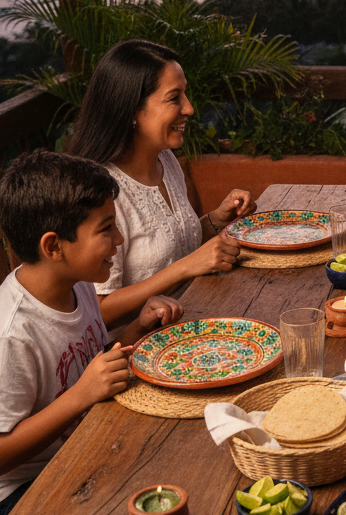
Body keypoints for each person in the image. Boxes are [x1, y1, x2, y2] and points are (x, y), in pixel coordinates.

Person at [0, 150, 183, 515]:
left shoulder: (77, 282)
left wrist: (138, 327)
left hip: (68, 448)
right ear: (54, 247)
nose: (119, 238)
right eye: (106, 229)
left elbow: (86, 359)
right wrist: (81, 395)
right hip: (4, 499)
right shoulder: (7, 338)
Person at [66, 39, 254, 327]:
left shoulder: (164, 159)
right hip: (130, 349)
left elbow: (170, 245)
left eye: (185, 95)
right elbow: (95, 310)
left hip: (191, 315)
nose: (189, 109)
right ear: (131, 110)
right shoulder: (98, 192)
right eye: (174, 98)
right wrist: (185, 268)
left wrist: (217, 219)